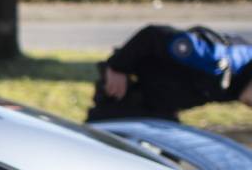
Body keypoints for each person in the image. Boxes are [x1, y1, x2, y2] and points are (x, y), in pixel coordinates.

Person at [87, 24, 252, 122]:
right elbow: (151, 35)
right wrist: (118, 67)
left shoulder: (238, 85)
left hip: (159, 109)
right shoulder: (215, 58)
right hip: (126, 92)